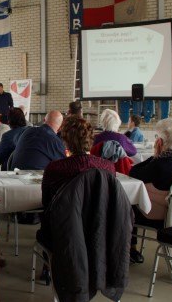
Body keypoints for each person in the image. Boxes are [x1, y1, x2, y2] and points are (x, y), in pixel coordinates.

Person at [36, 116, 115, 282]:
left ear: (65, 140)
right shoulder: (108, 167)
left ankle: (48, 268)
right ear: (91, 139)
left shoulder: (55, 168)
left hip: (63, 234)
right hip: (99, 231)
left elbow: (47, 202)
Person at [128, 118, 172, 264]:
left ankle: (131, 248)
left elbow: (133, 172)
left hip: (156, 215)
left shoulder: (160, 165)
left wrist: (155, 155)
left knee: (125, 206)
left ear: (160, 142)